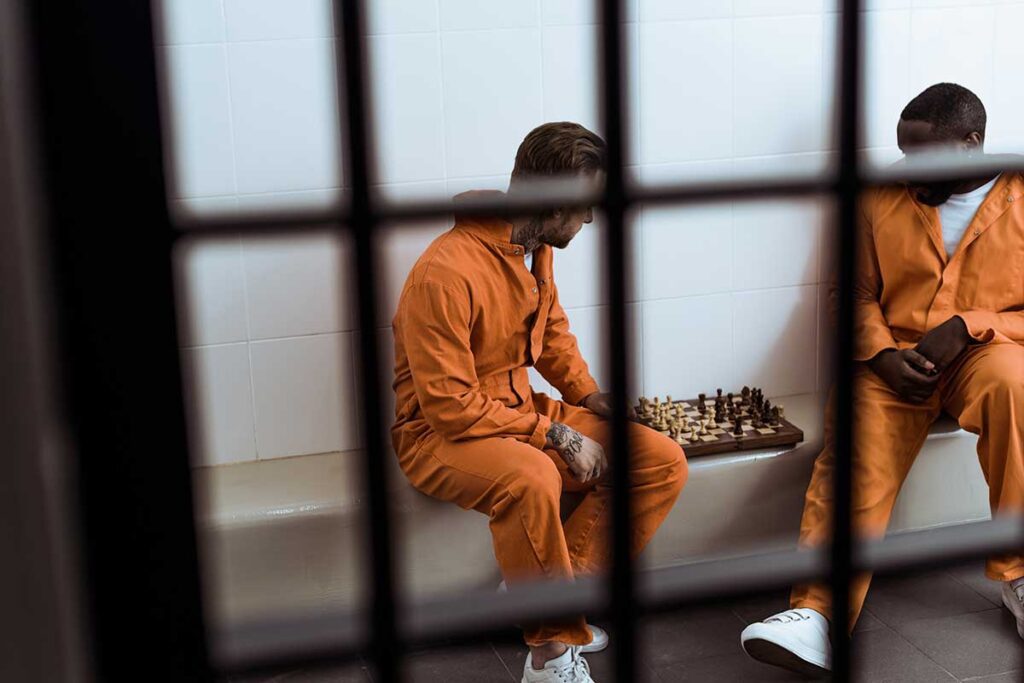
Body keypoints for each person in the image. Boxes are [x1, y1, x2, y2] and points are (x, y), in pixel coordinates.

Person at [741, 83, 1024, 676]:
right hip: (892, 359)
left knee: (1015, 390)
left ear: (971, 145)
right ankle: (816, 614)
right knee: (856, 446)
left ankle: (1020, 576)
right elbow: (853, 293)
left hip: (990, 351)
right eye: (902, 152)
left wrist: (969, 325)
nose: (907, 168)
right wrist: (878, 355)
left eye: (922, 155)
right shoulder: (877, 195)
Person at [391, 122, 688, 683]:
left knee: (658, 460)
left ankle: (541, 597)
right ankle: (551, 654)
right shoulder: (444, 272)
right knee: (532, 477)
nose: (592, 218)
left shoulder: (532, 250)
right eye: (585, 206)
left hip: (516, 410)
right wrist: (558, 434)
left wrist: (589, 396)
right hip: (440, 436)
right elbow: (450, 408)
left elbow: (550, 332)